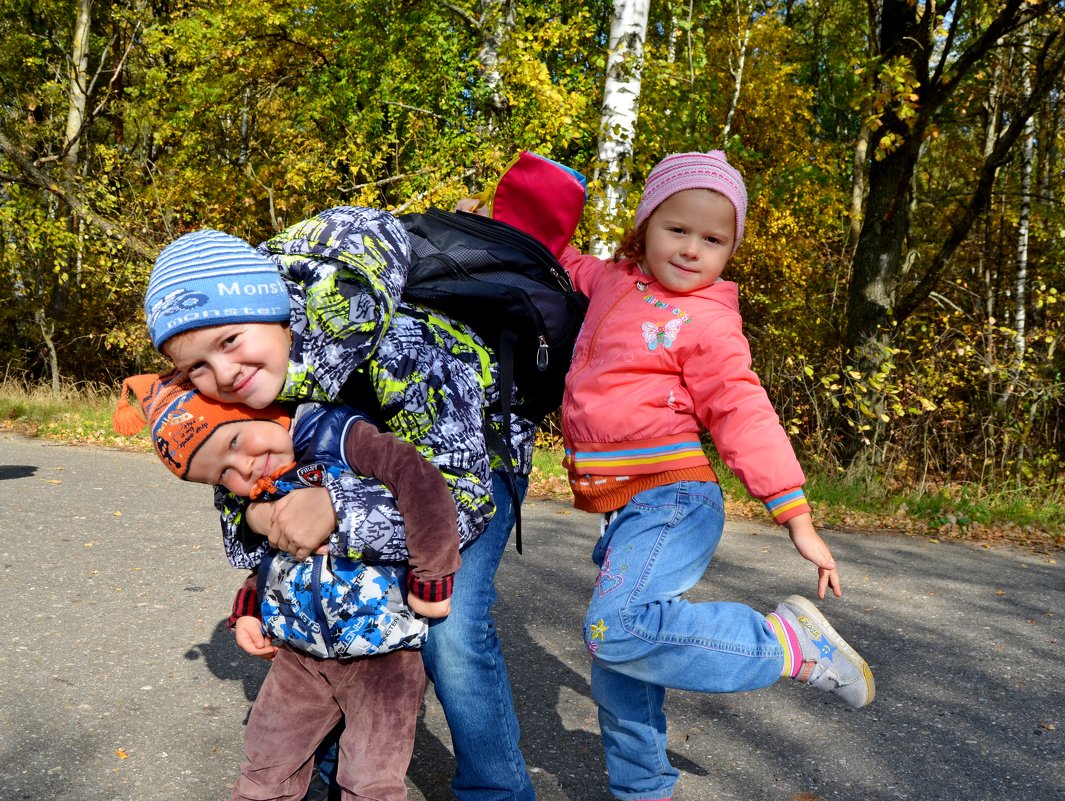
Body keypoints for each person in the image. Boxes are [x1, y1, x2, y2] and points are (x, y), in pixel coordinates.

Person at [141, 179, 584, 800]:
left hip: (475, 465)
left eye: (230, 341)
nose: (224, 374)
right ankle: (332, 774)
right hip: (370, 477)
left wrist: (339, 513)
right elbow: (241, 484)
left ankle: (496, 791)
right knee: (334, 608)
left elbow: (459, 496)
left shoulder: (405, 346)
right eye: (196, 368)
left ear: (271, 307)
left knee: (448, 630)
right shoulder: (251, 388)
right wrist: (261, 555)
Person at [556, 151, 876, 801]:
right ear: (643, 224)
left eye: (713, 239)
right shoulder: (612, 279)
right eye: (677, 228)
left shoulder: (706, 321)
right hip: (628, 503)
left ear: (730, 250)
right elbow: (557, 257)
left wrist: (795, 515)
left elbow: (741, 409)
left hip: (672, 497)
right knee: (619, 661)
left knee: (614, 629)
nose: (691, 249)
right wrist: (496, 223)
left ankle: (785, 643)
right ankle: (642, 786)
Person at [113, 370, 460, 801]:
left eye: (235, 442)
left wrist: (433, 578)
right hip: (299, 657)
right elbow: (265, 558)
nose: (244, 466)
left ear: (257, 411)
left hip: (384, 656)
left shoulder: (338, 433)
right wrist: (248, 610)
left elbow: (421, 482)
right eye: (224, 474)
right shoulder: (264, 484)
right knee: (265, 768)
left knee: (371, 782)